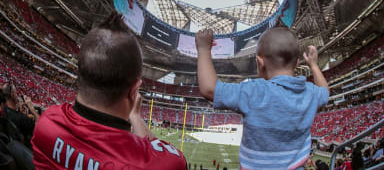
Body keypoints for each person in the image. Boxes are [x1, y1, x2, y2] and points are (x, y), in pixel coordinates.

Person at [31, 15, 187, 169]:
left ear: (80, 73)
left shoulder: (47, 122)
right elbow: (163, 159)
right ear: (134, 90)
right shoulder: (167, 164)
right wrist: (135, 117)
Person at [195, 27, 330, 169]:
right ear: (297, 63)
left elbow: (209, 89)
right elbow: (325, 92)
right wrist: (314, 65)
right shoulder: (310, 92)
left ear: (260, 62)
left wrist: (204, 49)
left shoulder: (254, 91)